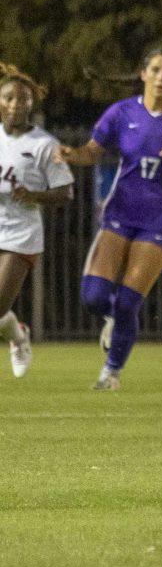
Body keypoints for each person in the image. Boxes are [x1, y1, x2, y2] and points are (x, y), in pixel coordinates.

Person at [56, 48, 162, 390]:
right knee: (94, 296)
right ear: (143, 74)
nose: (161, 76)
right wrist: (72, 155)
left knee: (129, 301)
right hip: (120, 213)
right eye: (155, 69)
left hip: (160, 220)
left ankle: (111, 372)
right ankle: (112, 320)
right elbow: (92, 152)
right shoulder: (121, 112)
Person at [0, 65, 74, 378]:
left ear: (32, 103)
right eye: (9, 97)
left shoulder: (45, 145)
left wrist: (33, 195)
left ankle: (18, 338)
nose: (16, 104)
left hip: (21, 234)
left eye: (23, 99)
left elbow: (65, 192)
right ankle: (17, 332)